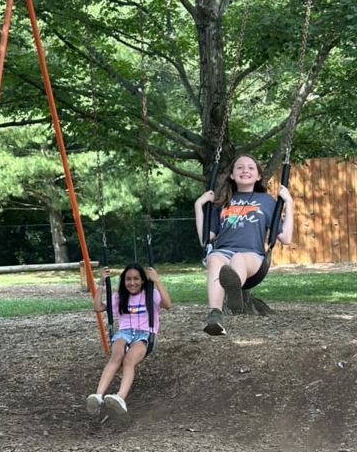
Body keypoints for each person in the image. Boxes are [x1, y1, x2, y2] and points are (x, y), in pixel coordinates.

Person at [194, 154, 293, 336]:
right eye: (239, 167)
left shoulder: (267, 201)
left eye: (250, 168)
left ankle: (234, 290)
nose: (245, 170)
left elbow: (285, 237)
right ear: (232, 175)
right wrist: (198, 205)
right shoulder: (223, 201)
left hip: (252, 256)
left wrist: (289, 202)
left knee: (238, 258)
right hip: (224, 251)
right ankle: (215, 315)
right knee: (215, 258)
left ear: (258, 176)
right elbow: (205, 238)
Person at [86, 263, 171, 418]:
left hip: (144, 335)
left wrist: (157, 281)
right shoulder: (119, 297)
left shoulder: (150, 294)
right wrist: (100, 283)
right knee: (117, 357)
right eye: (128, 279)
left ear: (143, 280)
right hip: (123, 333)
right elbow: (98, 307)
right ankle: (98, 396)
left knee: (128, 361)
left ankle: (120, 397)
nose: (132, 283)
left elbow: (167, 304)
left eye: (136, 279)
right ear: (124, 281)